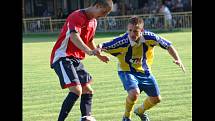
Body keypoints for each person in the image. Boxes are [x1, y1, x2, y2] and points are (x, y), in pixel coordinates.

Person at [98, 16, 185, 121]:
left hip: (145, 72)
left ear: (142, 30)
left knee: (156, 99)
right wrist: (98, 50)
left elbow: (167, 45)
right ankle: (126, 117)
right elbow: (103, 45)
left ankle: (140, 111)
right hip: (126, 71)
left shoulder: (150, 37)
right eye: (129, 30)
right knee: (134, 93)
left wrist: (178, 59)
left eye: (135, 31)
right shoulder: (123, 41)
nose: (131, 34)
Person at [50, 0, 113, 121]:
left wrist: (99, 56)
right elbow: (74, 36)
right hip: (62, 57)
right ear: (97, 6)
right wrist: (89, 52)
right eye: (103, 12)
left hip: (75, 59)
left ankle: (86, 117)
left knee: (87, 90)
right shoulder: (76, 16)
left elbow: (89, 41)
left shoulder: (94, 22)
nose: (104, 15)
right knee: (76, 90)